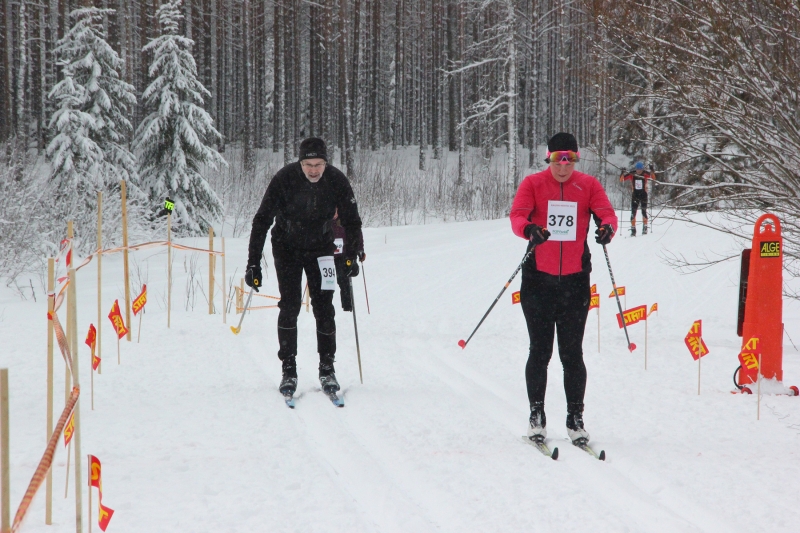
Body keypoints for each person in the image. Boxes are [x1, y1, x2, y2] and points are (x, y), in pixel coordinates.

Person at [509, 132, 618, 444]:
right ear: (549, 158)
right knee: (539, 351)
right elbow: (517, 216)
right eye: (558, 158)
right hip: (538, 281)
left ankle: (575, 417)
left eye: (570, 158)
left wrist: (607, 228)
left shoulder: (589, 185)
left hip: (574, 282)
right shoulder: (533, 184)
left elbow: (606, 213)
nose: (564, 165)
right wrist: (530, 229)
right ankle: (537, 415)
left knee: (572, 353)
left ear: (577, 159)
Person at [245, 137, 364, 398]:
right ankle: (289, 369)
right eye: (308, 164)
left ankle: (327, 368)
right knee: (290, 305)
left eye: (319, 164)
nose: (313, 170)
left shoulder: (336, 180)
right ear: (300, 163)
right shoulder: (284, 179)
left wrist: (351, 256)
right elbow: (261, 220)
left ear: (325, 163)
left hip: (322, 248)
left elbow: (353, 221)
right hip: (287, 247)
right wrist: (253, 263)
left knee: (324, 306)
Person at [619, 161, 655, 236]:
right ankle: (633, 229)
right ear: (636, 169)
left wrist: (652, 170)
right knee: (633, 212)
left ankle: (645, 227)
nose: (639, 171)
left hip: (643, 195)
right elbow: (621, 180)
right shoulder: (632, 174)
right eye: (638, 169)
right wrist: (622, 172)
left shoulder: (645, 174)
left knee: (643, 211)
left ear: (642, 169)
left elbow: (653, 177)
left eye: (640, 169)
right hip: (635, 195)